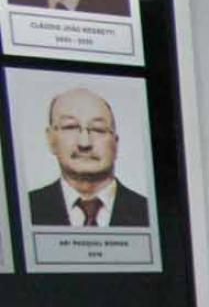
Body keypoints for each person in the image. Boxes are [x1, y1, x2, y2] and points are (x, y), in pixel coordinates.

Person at [25, 87, 149, 228]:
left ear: (115, 143)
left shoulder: (148, 211)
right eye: (70, 127)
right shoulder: (26, 208)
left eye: (98, 129)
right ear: (51, 139)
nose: (84, 143)